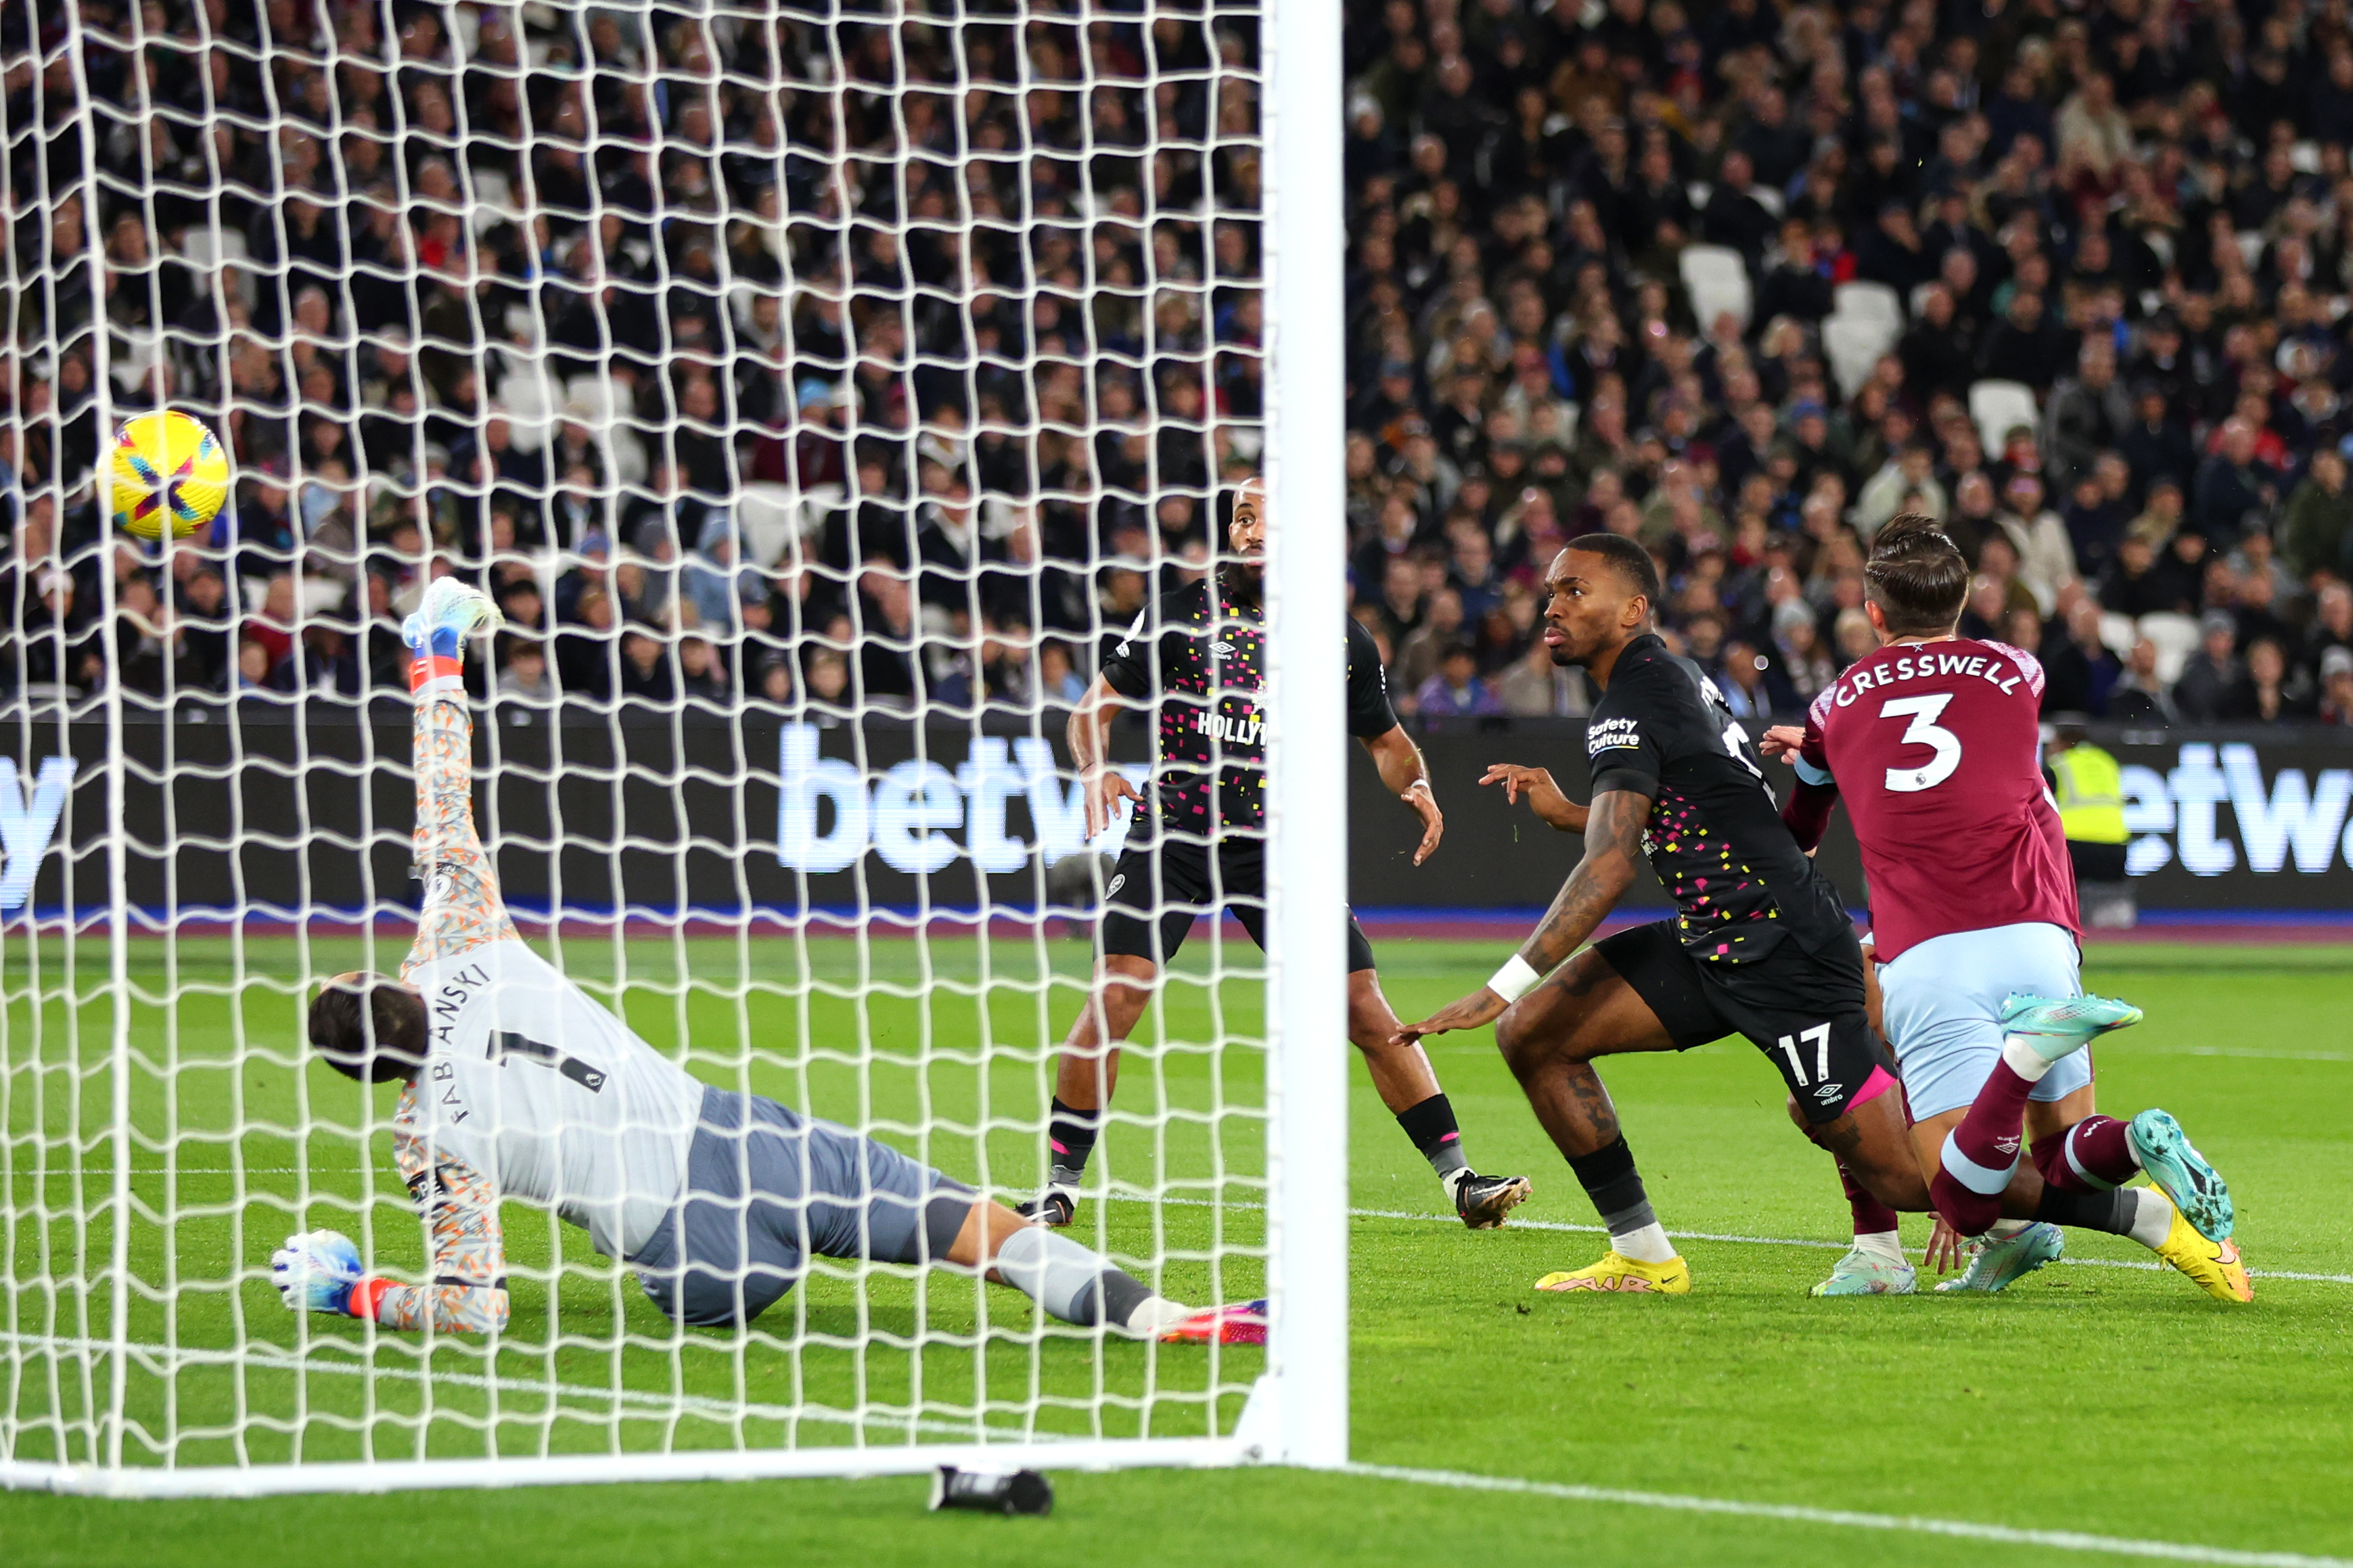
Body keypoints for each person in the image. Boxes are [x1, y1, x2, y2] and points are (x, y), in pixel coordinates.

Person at [271, 580, 1261, 1346]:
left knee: (708, 1272)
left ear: (365, 1080)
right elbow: (443, 794)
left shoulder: (425, 1134)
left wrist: (350, 1288)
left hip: (697, 1273)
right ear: (388, 980)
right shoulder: (456, 936)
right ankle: (1157, 1315)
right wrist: (436, 658)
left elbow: (475, 1308)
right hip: (747, 1150)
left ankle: (1140, 1310)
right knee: (970, 1227)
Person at [1396, 534, 1944, 1295]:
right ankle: (1644, 1255)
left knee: (1915, 1181)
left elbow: (1612, 861)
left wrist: (1503, 981)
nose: (1553, 604)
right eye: (1552, 589)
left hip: (1782, 947)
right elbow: (1697, 805)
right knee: (1536, 1034)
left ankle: (2085, 1196)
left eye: (1576, 590)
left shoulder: (1635, 697)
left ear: (1632, 609)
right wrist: (1574, 812)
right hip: (1715, 938)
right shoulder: (1668, 678)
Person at [1762, 517, 2247, 1303]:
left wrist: (1827, 757)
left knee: (1958, 1191)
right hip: (2036, 933)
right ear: (1963, 601)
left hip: (1928, 945)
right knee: (2060, 1156)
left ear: (1871, 611)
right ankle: (2133, 1139)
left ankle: (2013, 1078)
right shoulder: (2016, 667)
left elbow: (1801, 835)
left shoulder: (1832, 704)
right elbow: (1948, 732)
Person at [1031, 476, 1530, 1232]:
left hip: (1278, 849)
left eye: (1270, 517)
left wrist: (1418, 782)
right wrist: (1096, 765)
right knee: (1115, 999)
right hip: (1175, 836)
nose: (1252, 529)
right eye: (1242, 515)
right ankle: (1058, 1185)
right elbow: (1092, 707)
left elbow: (1386, 739)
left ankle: (1460, 1179)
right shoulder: (1178, 611)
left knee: (1365, 1008)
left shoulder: (1341, 639)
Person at [2044, 715, 2134, 929]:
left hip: (2074, 845)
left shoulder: (2060, 764)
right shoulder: (2107, 761)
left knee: (2057, 893)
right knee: (2112, 903)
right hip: (2115, 845)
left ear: (2061, 742)